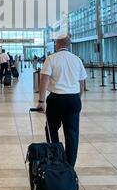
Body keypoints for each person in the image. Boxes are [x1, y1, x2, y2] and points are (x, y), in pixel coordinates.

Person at [37, 35, 87, 167]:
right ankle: (70, 166)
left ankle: (56, 160)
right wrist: (79, 98)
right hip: (73, 99)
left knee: (51, 129)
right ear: (68, 45)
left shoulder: (51, 58)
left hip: (56, 99)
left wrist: (41, 101)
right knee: (72, 134)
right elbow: (82, 83)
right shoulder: (77, 60)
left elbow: (44, 79)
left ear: (57, 45)